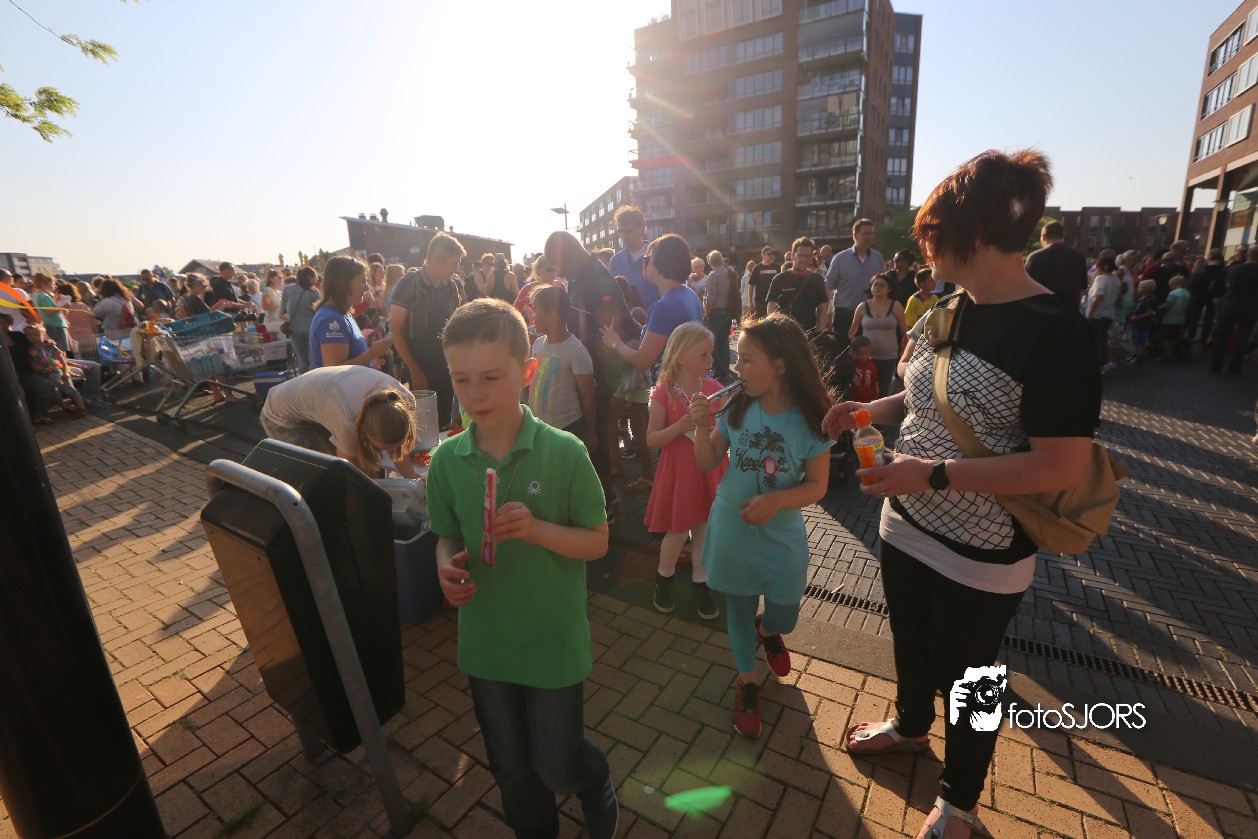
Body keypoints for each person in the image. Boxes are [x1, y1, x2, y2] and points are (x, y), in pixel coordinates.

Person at [823, 149, 1101, 839]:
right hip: (904, 519)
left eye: (934, 236)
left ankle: (960, 802)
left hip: (984, 546)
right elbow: (920, 398)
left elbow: (1060, 465)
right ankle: (911, 725)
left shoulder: (1056, 331)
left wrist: (934, 474)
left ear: (973, 235)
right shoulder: (946, 309)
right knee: (910, 640)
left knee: (973, 676)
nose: (926, 251)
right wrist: (866, 412)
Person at [427, 298, 618, 839]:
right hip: (486, 643)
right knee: (511, 768)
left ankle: (594, 780)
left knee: (556, 765)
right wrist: (445, 566)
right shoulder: (446, 462)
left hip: (552, 641)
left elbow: (598, 542)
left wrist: (538, 531)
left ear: (527, 372)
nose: (475, 394)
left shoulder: (565, 453)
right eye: (461, 380)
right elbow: (446, 534)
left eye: (491, 377)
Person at [691, 313, 834, 737]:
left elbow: (818, 485)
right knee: (737, 606)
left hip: (781, 534)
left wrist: (776, 500)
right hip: (732, 525)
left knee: (785, 613)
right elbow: (707, 461)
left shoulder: (812, 419)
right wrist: (700, 428)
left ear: (780, 365)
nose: (737, 368)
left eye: (747, 359)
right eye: (737, 358)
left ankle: (768, 630)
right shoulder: (737, 406)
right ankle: (748, 680)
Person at [644, 323, 726, 620]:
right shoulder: (663, 394)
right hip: (680, 472)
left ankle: (700, 582)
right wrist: (679, 427)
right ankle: (663, 578)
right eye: (704, 355)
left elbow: (725, 428)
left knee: (705, 529)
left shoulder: (714, 389)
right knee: (677, 532)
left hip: (708, 470)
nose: (711, 360)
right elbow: (651, 439)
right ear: (681, 356)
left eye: (711, 353)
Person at [260, 365, 419, 478]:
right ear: (363, 428)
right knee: (318, 475)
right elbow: (352, 471)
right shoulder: (347, 419)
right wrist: (382, 493)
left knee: (343, 469)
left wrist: (414, 480)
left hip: (323, 403)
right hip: (281, 415)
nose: (392, 451)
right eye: (384, 448)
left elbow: (396, 450)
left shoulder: (405, 400)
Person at [600, 234, 704, 374]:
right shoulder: (688, 294)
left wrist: (615, 342)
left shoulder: (664, 307)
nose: (644, 263)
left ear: (661, 262)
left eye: (646, 258)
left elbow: (642, 362)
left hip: (675, 383)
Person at [390, 231, 464, 428]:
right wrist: (414, 370)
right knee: (424, 426)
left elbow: (455, 325)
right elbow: (395, 330)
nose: (457, 269)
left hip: (445, 366)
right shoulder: (409, 283)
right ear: (438, 259)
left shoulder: (451, 286)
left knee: (445, 423)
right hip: (419, 366)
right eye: (454, 263)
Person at [529, 284, 597, 450]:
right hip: (539, 428)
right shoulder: (538, 343)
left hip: (566, 427)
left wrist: (591, 432)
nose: (533, 317)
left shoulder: (576, 351)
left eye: (536, 312)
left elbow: (588, 397)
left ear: (552, 315)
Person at [309, 256, 393, 370]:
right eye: (363, 281)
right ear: (343, 283)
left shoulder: (341, 313)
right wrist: (373, 352)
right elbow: (335, 370)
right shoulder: (331, 319)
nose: (366, 288)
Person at [848, 273, 907, 394]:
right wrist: (858, 349)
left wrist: (907, 351)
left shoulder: (896, 306)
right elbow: (851, 333)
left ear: (889, 289)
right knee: (864, 391)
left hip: (889, 357)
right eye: (875, 284)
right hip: (866, 358)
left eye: (882, 285)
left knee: (883, 391)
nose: (878, 287)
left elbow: (904, 332)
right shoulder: (862, 306)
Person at [825, 218, 883, 333]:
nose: (869, 237)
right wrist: (826, 314)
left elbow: (881, 286)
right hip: (844, 313)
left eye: (871, 233)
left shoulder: (878, 258)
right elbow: (828, 285)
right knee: (842, 343)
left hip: (870, 314)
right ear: (855, 235)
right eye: (865, 234)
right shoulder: (840, 258)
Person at [24, 322, 87, 420]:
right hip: (45, 373)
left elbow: (62, 359)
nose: (34, 337)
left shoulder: (50, 346)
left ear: (43, 334)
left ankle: (82, 408)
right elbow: (32, 362)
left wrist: (65, 371)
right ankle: (64, 407)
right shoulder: (30, 349)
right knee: (54, 391)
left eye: (37, 334)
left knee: (69, 388)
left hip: (58, 371)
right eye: (30, 335)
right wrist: (37, 368)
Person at [766, 237, 829, 334]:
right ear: (792, 256)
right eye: (800, 255)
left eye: (807, 256)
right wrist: (775, 332)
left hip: (809, 335)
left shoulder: (817, 280)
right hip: (784, 334)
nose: (803, 259)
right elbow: (771, 309)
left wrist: (819, 334)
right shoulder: (779, 279)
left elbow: (822, 309)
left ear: (811, 257)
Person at [1211, 244, 1258, 375]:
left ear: (1247, 255)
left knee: (1223, 335)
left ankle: (1217, 364)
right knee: (1243, 337)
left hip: (1231, 304)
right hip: (1250, 307)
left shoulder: (1233, 269)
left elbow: (1227, 285)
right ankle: (1235, 367)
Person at [1024, 220, 1087, 305]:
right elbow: (1082, 290)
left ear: (1043, 237)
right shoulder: (1079, 256)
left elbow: (1026, 289)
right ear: (1062, 238)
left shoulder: (1034, 257)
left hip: (1042, 309)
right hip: (1069, 310)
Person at [609, 206, 658, 311]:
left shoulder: (657, 255)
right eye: (620, 231)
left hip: (657, 318)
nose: (623, 235)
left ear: (642, 229)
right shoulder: (615, 261)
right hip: (628, 319)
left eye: (628, 230)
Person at [1084, 254, 1121, 371]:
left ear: (1104, 267)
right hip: (1109, 313)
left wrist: (1091, 312)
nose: (1096, 269)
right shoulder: (1116, 280)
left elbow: (1099, 296)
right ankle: (1102, 364)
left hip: (1098, 314)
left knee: (1095, 340)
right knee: (1102, 340)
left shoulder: (1100, 279)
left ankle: (1096, 364)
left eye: (1098, 266)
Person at [281, 266, 320, 374]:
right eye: (315, 277)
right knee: (313, 359)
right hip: (311, 329)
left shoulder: (288, 290)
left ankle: (303, 381)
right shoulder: (314, 293)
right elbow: (319, 314)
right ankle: (314, 381)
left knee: (302, 361)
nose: (316, 280)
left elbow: (282, 312)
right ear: (309, 277)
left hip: (294, 330)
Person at [702, 250, 733, 378]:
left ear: (710, 262)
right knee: (723, 339)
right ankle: (725, 365)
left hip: (716, 311)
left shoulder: (713, 275)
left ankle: (719, 368)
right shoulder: (729, 273)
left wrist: (706, 314)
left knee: (711, 341)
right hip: (728, 310)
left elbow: (711, 298)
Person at [1188, 248, 1226, 344]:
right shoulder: (1223, 270)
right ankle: (1203, 340)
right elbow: (1224, 286)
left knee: (1194, 318)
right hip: (1214, 296)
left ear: (1209, 257)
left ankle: (1190, 337)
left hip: (1198, 295)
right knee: (1209, 319)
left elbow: (1193, 283)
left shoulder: (1202, 268)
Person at [30, 273, 69, 352]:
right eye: (52, 283)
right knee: (61, 348)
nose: (54, 286)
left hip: (48, 323)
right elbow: (49, 311)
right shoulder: (44, 296)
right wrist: (63, 305)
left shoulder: (36, 295)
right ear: (44, 284)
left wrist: (55, 300)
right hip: (55, 325)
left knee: (55, 347)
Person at [1158, 275, 1191, 360]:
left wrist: (1160, 307)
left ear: (1174, 284)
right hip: (1181, 319)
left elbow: (1168, 305)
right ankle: (1185, 341)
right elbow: (1187, 307)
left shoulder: (1173, 293)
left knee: (1165, 338)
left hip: (1170, 319)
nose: (1170, 288)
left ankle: (1169, 354)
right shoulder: (1187, 293)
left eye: (1170, 286)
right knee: (1175, 335)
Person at [1127, 279, 1158, 362]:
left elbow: (1149, 312)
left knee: (1140, 340)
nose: (1138, 289)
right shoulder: (1142, 298)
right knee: (1136, 339)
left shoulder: (1150, 299)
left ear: (1146, 289)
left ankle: (1139, 356)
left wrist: (1136, 317)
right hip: (1136, 323)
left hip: (1142, 323)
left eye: (1140, 287)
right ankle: (1135, 354)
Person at [748, 246, 780, 319]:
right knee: (760, 321)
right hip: (760, 301)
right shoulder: (757, 268)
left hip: (774, 300)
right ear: (763, 255)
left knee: (773, 321)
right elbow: (751, 285)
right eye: (769, 254)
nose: (771, 256)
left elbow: (781, 284)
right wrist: (750, 302)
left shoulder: (777, 267)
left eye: (772, 254)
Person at [848, 335, 879, 402]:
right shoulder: (851, 365)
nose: (863, 356)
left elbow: (874, 383)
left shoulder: (871, 366)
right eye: (860, 354)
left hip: (866, 400)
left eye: (866, 354)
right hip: (851, 398)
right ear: (853, 353)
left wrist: (875, 398)